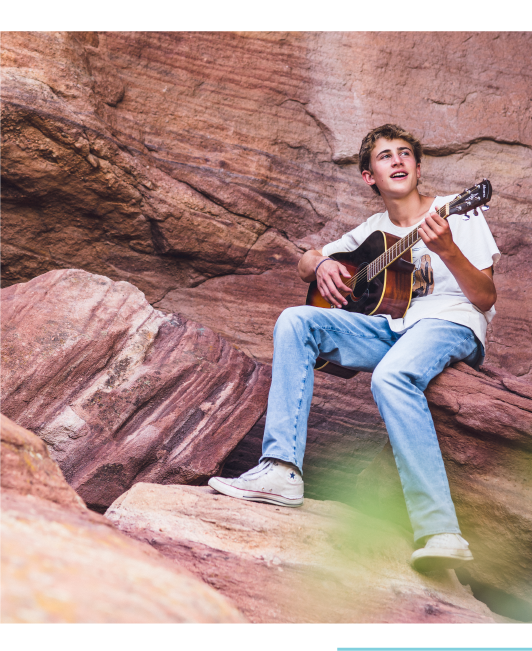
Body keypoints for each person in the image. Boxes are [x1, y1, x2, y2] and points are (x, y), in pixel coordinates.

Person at [208, 124, 500, 573]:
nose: (398, 161)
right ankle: (281, 469)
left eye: (406, 154)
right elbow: (306, 261)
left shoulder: (455, 212)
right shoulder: (372, 231)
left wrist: (449, 252)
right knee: (296, 320)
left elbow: (484, 298)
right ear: (369, 177)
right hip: (390, 326)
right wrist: (322, 263)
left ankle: (440, 530)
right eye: (385, 157)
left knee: (391, 376)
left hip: (449, 321)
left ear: (419, 168)